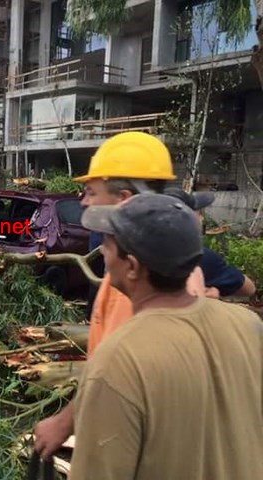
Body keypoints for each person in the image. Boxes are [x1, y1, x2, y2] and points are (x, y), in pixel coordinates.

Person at [34, 132, 207, 458]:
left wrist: (64, 426)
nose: (83, 202)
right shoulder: (133, 269)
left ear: (123, 199)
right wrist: (67, 421)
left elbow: (119, 386)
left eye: (90, 192)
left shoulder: (148, 285)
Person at [66, 193, 263, 479]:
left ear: (131, 267)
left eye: (107, 245)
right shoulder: (247, 325)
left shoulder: (120, 359)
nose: (102, 253)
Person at [164, 187, 257, 298]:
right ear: (188, 218)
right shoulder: (199, 257)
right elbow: (249, 289)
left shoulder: (141, 253)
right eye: (199, 213)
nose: (202, 218)